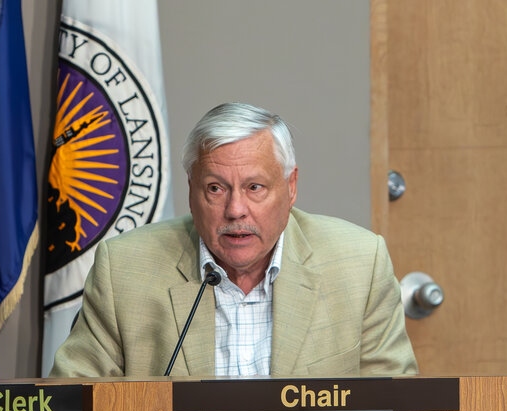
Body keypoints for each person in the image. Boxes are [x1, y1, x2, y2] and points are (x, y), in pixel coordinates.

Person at [50, 102, 417, 378]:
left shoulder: (358, 264)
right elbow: (75, 408)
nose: (235, 209)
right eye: (215, 188)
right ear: (192, 191)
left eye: (255, 187)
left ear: (290, 187)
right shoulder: (125, 269)